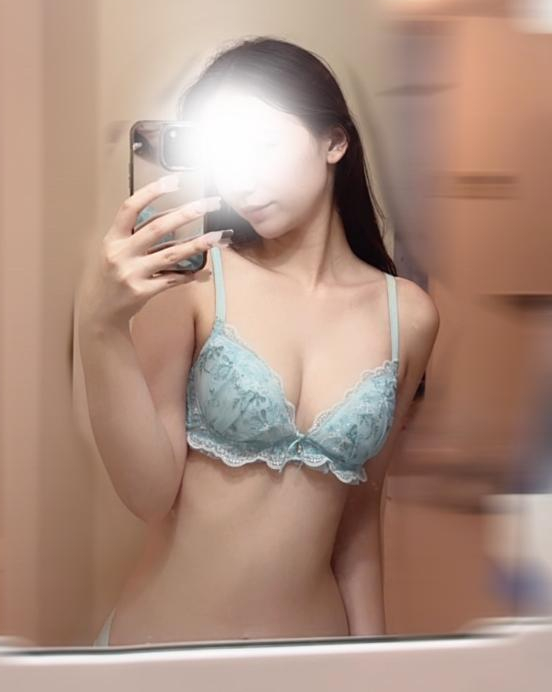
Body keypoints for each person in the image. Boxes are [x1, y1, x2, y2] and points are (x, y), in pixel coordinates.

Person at [77, 36, 440, 646]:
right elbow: (148, 496)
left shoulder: (408, 314)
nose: (243, 181)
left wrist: (372, 658)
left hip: (312, 655)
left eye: (263, 146)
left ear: (334, 141)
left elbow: (360, 515)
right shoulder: (197, 282)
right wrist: (100, 326)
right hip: (164, 654)